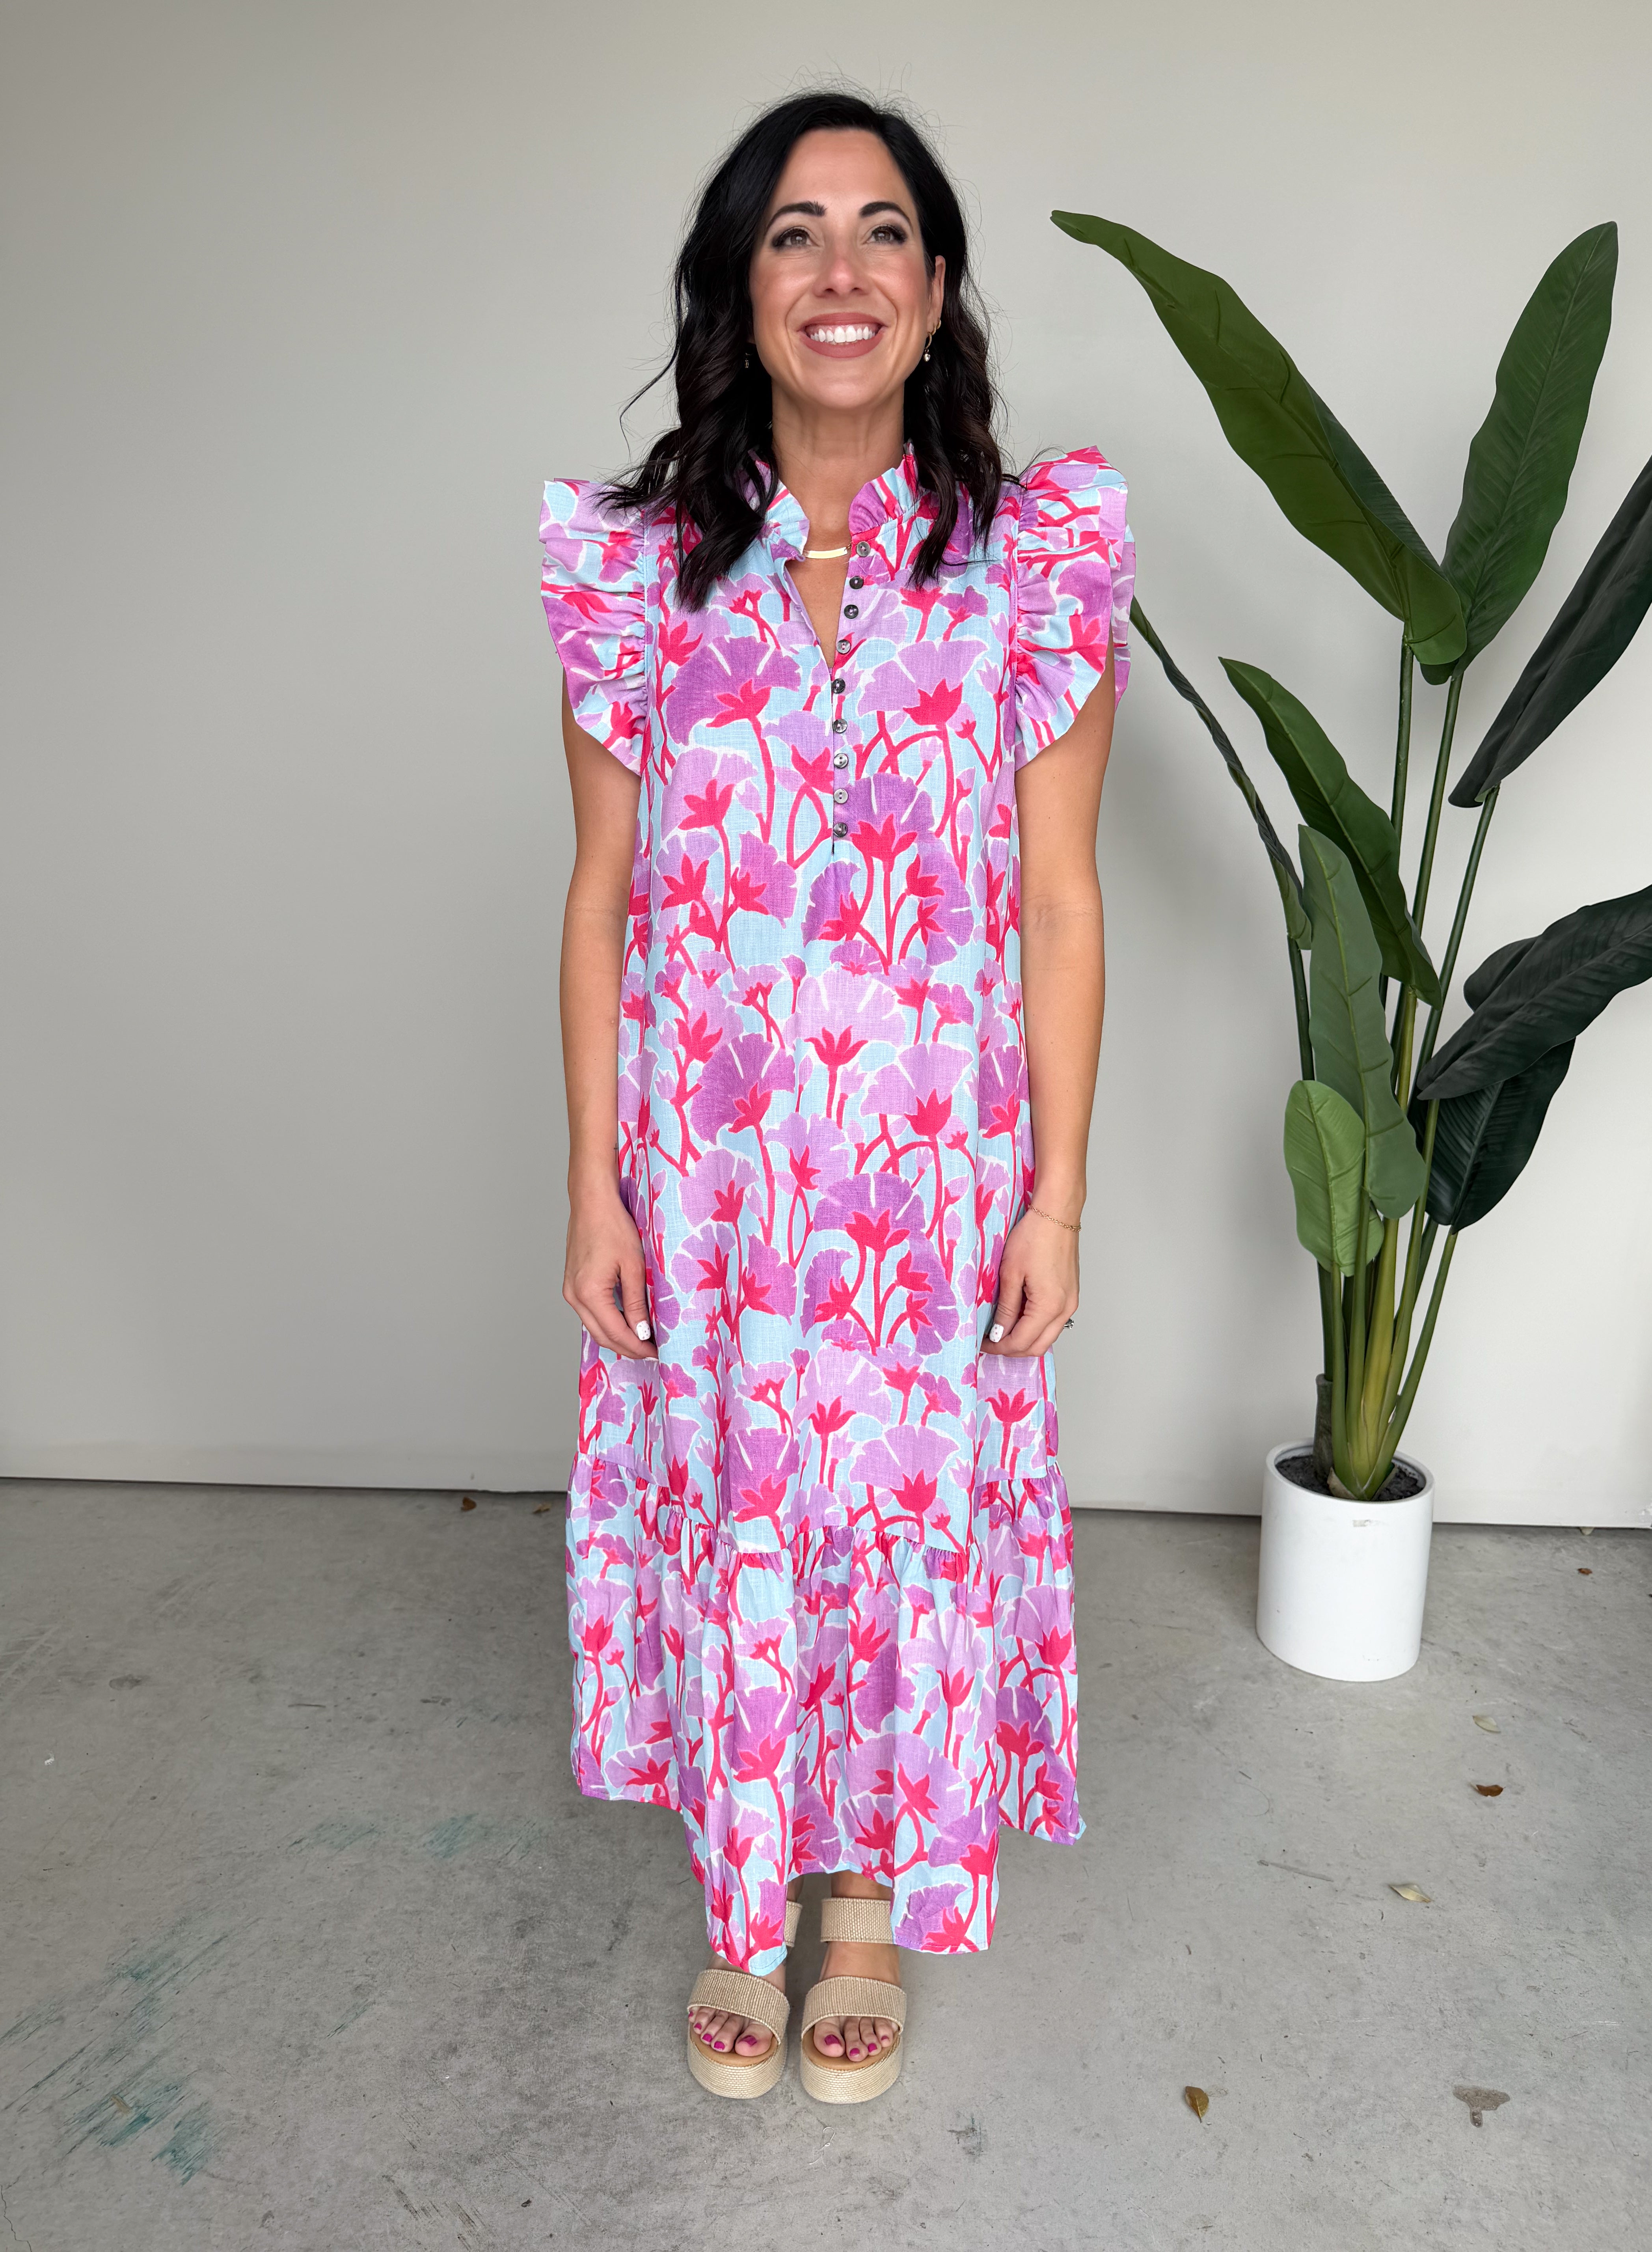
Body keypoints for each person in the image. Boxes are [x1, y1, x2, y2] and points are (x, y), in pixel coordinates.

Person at [539, 88, 1132, 2104]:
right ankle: (741, 1895)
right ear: (740, 287)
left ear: (937, 291)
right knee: (734, 1507)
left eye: (884, 231)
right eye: (794, 233)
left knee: (898, 1522)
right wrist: (594, 1185)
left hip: (929, 1183)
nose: (841, 271)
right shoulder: (638, 574)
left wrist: (1055, 1196)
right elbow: (602, 896)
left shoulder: (1026, 567)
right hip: (710, 1188)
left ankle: (863, 1898)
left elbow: (1061, 900)